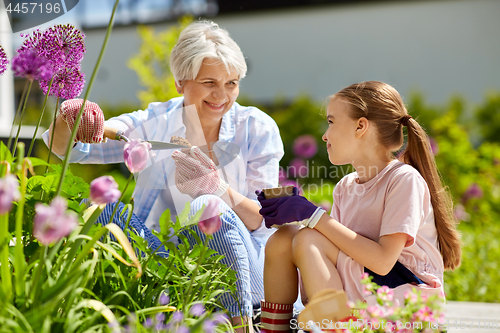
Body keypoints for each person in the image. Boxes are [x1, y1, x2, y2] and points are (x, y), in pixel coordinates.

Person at [43, 20, 284, 332]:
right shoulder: (157, 120)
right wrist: (72, 117)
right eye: (209, 82)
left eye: (232, 83)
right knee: (104, 210)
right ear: (180, 82)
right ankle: (130, 308)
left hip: (243, 274)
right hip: (165, 262)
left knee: (207, 207)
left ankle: (242, 326)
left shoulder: (257, 128)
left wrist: (216, 188)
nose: (222, 95)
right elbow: (73, 148)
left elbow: (267, 221)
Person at [256, 81, 461, 332]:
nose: (325, 134)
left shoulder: (403, 179)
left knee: (309, 237)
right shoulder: (345, 186)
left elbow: (383, 261)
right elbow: (340, 249)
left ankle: (333, 325)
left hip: (407, 306)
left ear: (360, 126)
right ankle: (276, 329)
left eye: (331, 122)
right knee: (283, 238)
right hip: (366, 294)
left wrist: (312, 216)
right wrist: (296, 212)